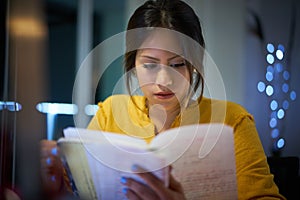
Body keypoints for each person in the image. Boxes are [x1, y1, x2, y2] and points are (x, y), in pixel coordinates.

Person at [41, 0, 286, 199]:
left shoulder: (232, 121)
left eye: (177, 64)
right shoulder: (111, 113)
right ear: (132, 65)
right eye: (149, 64)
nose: (163, 80)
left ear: (195, 66)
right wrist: (54, 171)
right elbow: (79, 186)